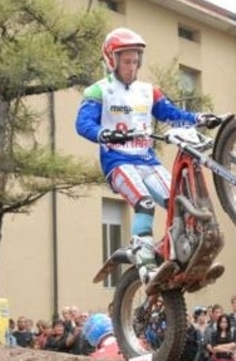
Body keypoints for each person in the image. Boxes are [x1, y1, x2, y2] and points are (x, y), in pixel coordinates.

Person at [75, 27, 220, 288]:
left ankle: (183, 259)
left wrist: (198, 118)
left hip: (147, 160)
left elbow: (171, 113)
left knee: (180, 204)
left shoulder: (147, 90)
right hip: (117, 161)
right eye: (127, 61)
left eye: (136, 61)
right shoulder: (98, 91)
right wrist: (104, 134)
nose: (132, 67)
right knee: (144, 203)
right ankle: (144, 264)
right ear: (112, 60)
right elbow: (82, 123)